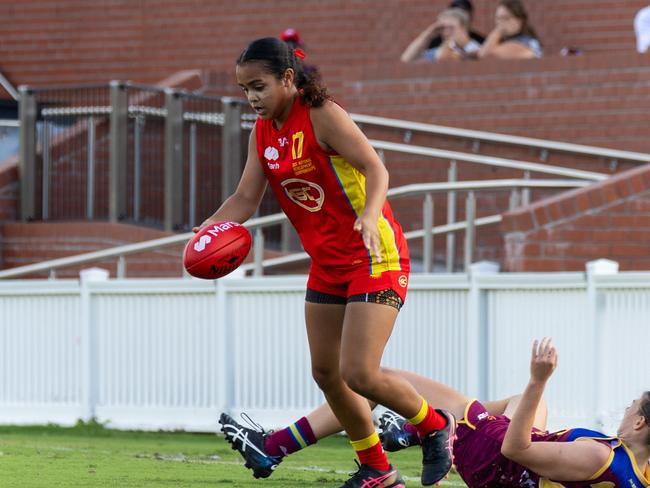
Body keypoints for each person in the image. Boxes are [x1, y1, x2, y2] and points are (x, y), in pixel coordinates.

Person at [206, 37, 454, 488]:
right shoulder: (261, 133)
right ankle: (377, 469)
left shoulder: (322, 115)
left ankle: (435, 426)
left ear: (286, 79)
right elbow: (245, 197)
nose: (251, 98)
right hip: (327, 264)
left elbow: (377, 169)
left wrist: (371, 212)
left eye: (258, 86)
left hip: (374, 255)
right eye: (244, 90)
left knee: (359, 372)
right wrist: (206, 231)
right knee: (326, 373)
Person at [221, 338, 650, 488]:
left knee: (371, 378)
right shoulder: (641, 473)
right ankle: (417, 430)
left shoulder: (602, 456)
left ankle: (271, 447)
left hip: (493, 458)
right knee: (527, 403)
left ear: (639, 423)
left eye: (632, 404)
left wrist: (539, 377)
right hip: (508, 468)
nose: (626, 405)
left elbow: (515, 447)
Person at [401, 1, 484, 63]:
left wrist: (465, 41)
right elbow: (406, 60)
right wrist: (428, 33)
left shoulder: (474, 48)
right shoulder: (435, 52)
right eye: (443, 28)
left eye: (451, 28)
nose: (447, 31)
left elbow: (484, 57)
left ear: (464, 28)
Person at [477, 0, 543, 60]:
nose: (500, 23)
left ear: (519, 20)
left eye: (506, 18)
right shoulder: (500, 42)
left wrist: (498, 31)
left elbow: (486, 56)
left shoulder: (527, 41)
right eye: (498, 18)